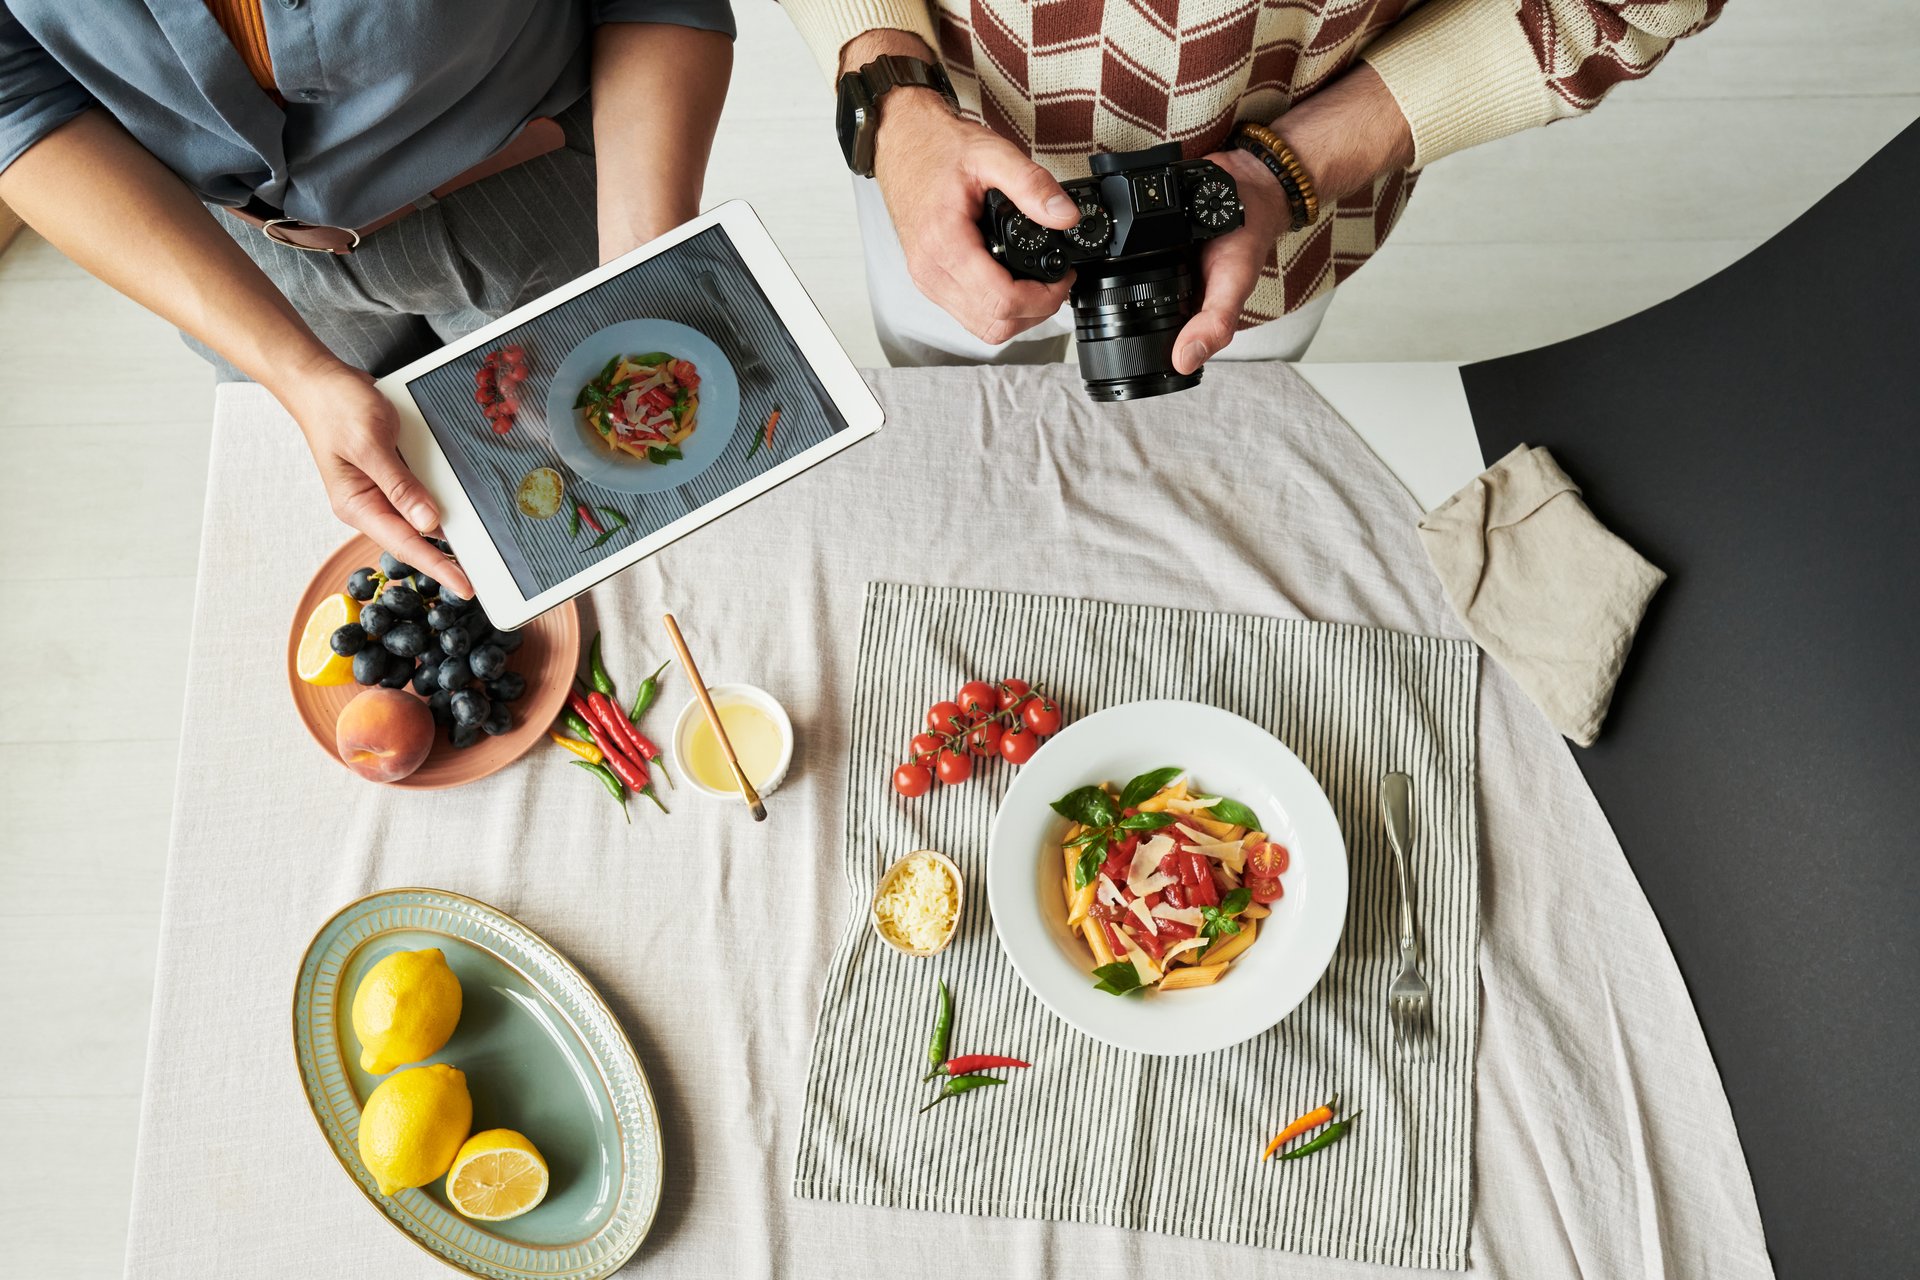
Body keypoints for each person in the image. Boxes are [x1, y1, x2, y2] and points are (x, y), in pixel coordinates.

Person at [0, 2, 737, 596]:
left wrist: (641, 270)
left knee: (636, 515)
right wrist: (298, 375)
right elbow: (16, 103)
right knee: (418, 539)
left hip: (537, 195)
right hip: (242, 265)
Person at [783, 0, 1721, 370]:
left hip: (1270, 226)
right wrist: (891, 94)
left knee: (1204, 470)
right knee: (951, 410)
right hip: (939, 158)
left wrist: (1286, 169)